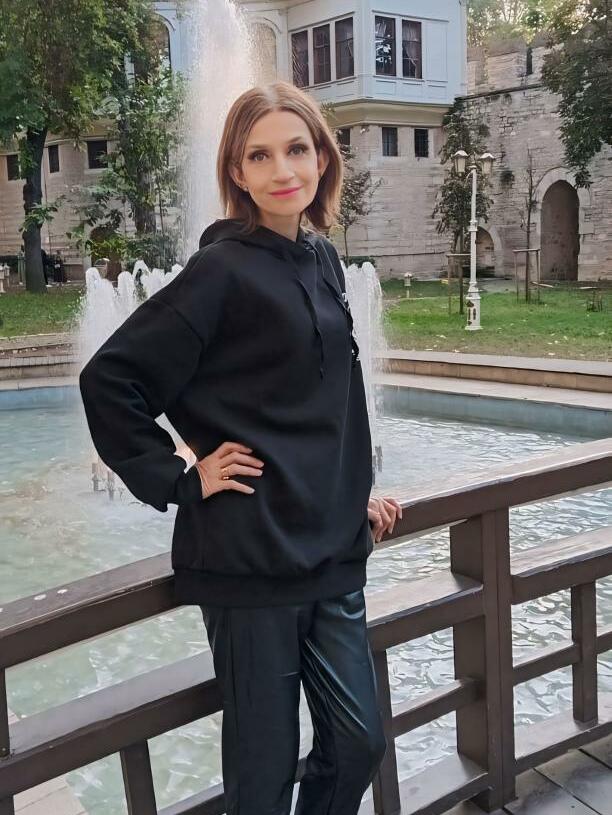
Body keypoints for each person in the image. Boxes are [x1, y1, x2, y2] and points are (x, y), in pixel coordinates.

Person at [79, 80, 403, 815]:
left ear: (322, 159)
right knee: (263, 774)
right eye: (260, 155)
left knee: (358, 742)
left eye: (297, 149)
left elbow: (327, 402)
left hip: (330, 550)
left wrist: (352, 493)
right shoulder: (220, 271)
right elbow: (111, 378)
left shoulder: (323, 260)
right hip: (248, 557)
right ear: (236, 170)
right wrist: (179, 477)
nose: (282, 169)